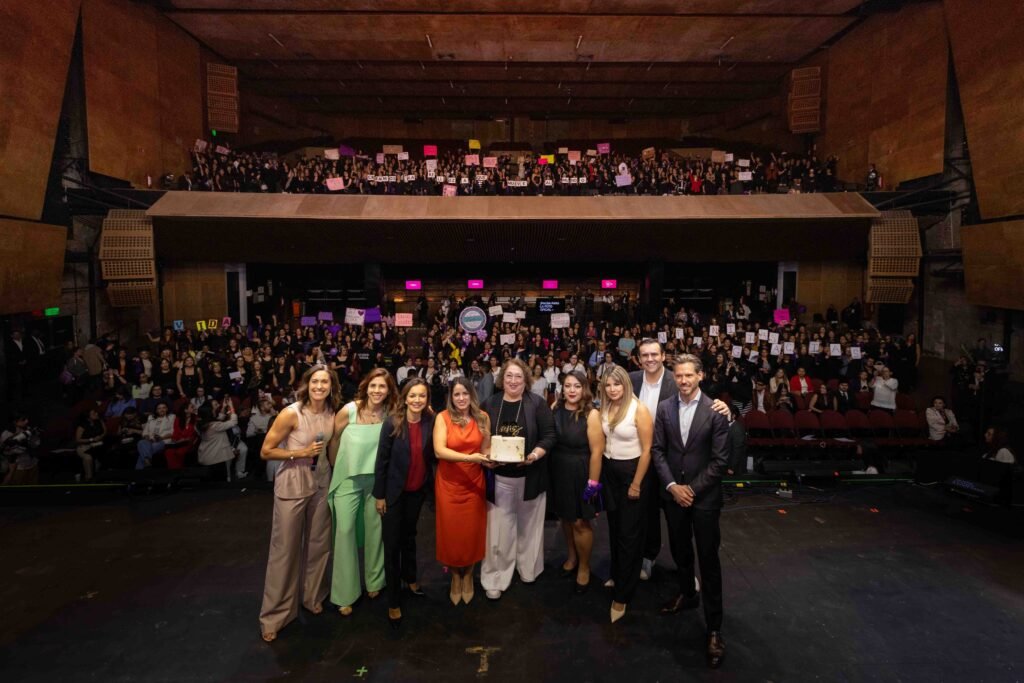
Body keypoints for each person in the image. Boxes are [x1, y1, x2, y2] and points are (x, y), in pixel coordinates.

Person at [650, 354, 730, 669]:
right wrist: (673, 487)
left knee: (708, 561)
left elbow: (720, 461)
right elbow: (658, 451)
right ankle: (687, 594)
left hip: (704, 498)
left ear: (700, 376)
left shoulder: (716, 411)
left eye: (688, 375)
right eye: (679, 376)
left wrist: (691, 490)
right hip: (673, 496)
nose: (683, 380)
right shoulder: (664, 408)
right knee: (680, 551)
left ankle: (714, 628)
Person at [258, 365, 339, 642]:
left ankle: (313, 596)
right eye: (315, 381)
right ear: (307, 383)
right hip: (293, 482)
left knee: (319, 545)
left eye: (325, 382)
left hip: (321, 482)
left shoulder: (331, 413)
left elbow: (331, 451)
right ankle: (275, 615)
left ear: (331, 386)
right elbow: (266, 450)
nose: (319, 386)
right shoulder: (291, 413)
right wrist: (300, 452)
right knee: (285, 551)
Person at [480, 358, 556, 600]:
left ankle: (528, 569)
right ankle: (495, 577)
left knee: (530, 528)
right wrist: (486, 457)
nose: (513, 381)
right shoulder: (490, 404)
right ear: (502, 378)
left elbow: (549, 436)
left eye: (518, 376)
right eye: (509, 376)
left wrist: (534, 455)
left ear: (526, 380)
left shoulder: (538, 404)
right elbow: (481, 438)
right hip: (499, 478)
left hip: (530, 476)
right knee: (498, 532)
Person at [327, 368, 398, 616]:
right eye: (373, 385)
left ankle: (375, 581)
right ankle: (345, 593)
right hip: (348, 479)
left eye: (382, 386)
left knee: (375, 531)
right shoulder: (349, 410)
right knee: (344, 532)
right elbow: (334, 440)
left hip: (376, 482)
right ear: (366, 387)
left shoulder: (391, 413)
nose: (377, 391)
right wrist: (335, 468)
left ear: (389, 390)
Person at [374, 378, 436, 627]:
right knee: (392, 546)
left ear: (427, 399)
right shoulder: (392, 422)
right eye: (413, 395)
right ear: (405, 397)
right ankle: (393, 600)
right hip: (393, 494)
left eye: (422, 396)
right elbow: (381, 461)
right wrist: (380, 495)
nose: (417, 400)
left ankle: (411, 578)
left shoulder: (431, 421)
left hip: (416, 492)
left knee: (410, 537)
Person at [593, 364, 653, 623]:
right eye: (608, 385)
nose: (612, 389)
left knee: (629, 535)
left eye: (616, 384)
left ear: (626, 384)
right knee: (616, 530)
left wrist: (636, 483)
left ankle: (622, 595)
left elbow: (648, 450)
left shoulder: (639, 409)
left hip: (632, 473)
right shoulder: (605, 407)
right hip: (610, 473)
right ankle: (619, 575)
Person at [434, 376, 494, 604]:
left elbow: (485, 449)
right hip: (449, 484)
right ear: (451, 397)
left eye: (465, 394)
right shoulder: (443, 418)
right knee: (451, 533)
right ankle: (455, 576)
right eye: (456, 394)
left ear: (472, 395)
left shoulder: (483, 417)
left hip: (474, 483)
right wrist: (471, 458)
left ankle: (468, 575)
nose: (461, 398)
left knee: (471, 532)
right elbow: (439, 451)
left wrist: (491, 460)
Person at [550, 370, 604, 594]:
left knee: (581, 522)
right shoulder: (555, 408)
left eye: (577, 386)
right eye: (568, 386)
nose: (572, 390)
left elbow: (597, 452)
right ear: (562, 389)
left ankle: (584, 566)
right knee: (566, 517)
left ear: (584, 389)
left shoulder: (591, 414)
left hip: (582, 472)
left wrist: (593, 484)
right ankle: (572, 557)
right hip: (559, 471)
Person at [197, 399, 248, 480]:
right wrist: (231, 407)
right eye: (215, 406)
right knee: (219, 480)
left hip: (207, 455)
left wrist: (224, 407)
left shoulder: (202, 424)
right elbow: (233, 422)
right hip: (216, 458)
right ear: (210, 412)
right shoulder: (215, 425)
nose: (217, 407)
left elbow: (219, 418)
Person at [1, 414, 41, 485]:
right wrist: (18, 441)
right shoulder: (7, 433)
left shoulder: (29, 430)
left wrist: (34, 435)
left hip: (32, 463)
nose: (27, 421)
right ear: (15, 421)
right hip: (18, 467)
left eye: (27, 419)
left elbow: (35, 444)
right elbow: (6, 451)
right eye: (23, 420)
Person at [75, 407, 107, 481]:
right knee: (88, 457)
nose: (96, 414)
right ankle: (88, 478)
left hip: (98, 444)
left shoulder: (100, 421)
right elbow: (78, 440)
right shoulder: (82, 426)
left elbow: (105, 431)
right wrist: (91, 439)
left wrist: (100, 436)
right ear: (88, 417)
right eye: (93, 413)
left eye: (96, 412)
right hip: (85, 445)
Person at [163, 403, 198, 470]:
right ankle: (174, 470)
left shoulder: (196, 418)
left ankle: (179, 470)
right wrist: (175, 440)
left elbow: (195, 434)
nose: (194, 408)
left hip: (189, 441)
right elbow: (175, 432)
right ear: (185, 410)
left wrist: (186, 439)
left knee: (179, 452)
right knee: (169, 451)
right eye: (192, 407)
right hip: (178, 441)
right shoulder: (178, 419)